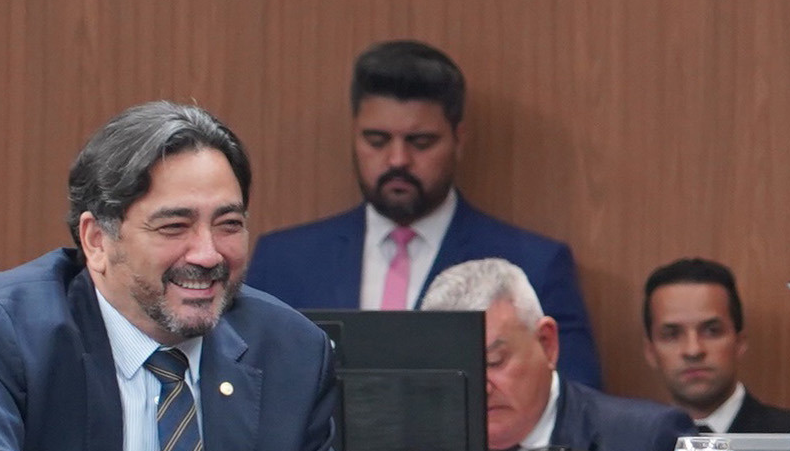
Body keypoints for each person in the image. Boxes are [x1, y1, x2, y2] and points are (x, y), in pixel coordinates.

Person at [0, 103, 343, 451]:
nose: (207, 254)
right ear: (97, 241)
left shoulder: (292, 351)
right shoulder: (4, 328)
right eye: (174, 227)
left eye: (228, 224)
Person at [246, 40, 603, 385]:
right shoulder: (283, 262)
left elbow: (574, 400)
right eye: (376, 140)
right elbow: (246, 384)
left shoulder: (534, 265)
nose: (397, 160)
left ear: (459, 139)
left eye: (421, 142)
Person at [421, 260, 692, 451]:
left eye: (495, 361)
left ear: (547, 343)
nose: (482, 387)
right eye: (462, 369)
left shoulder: (648, 442)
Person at [641, 257, 790, 440]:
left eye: (712, 331)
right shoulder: (633, 444)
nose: (693, 350)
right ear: (650, 351)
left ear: (740, 342)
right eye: (672, 335)